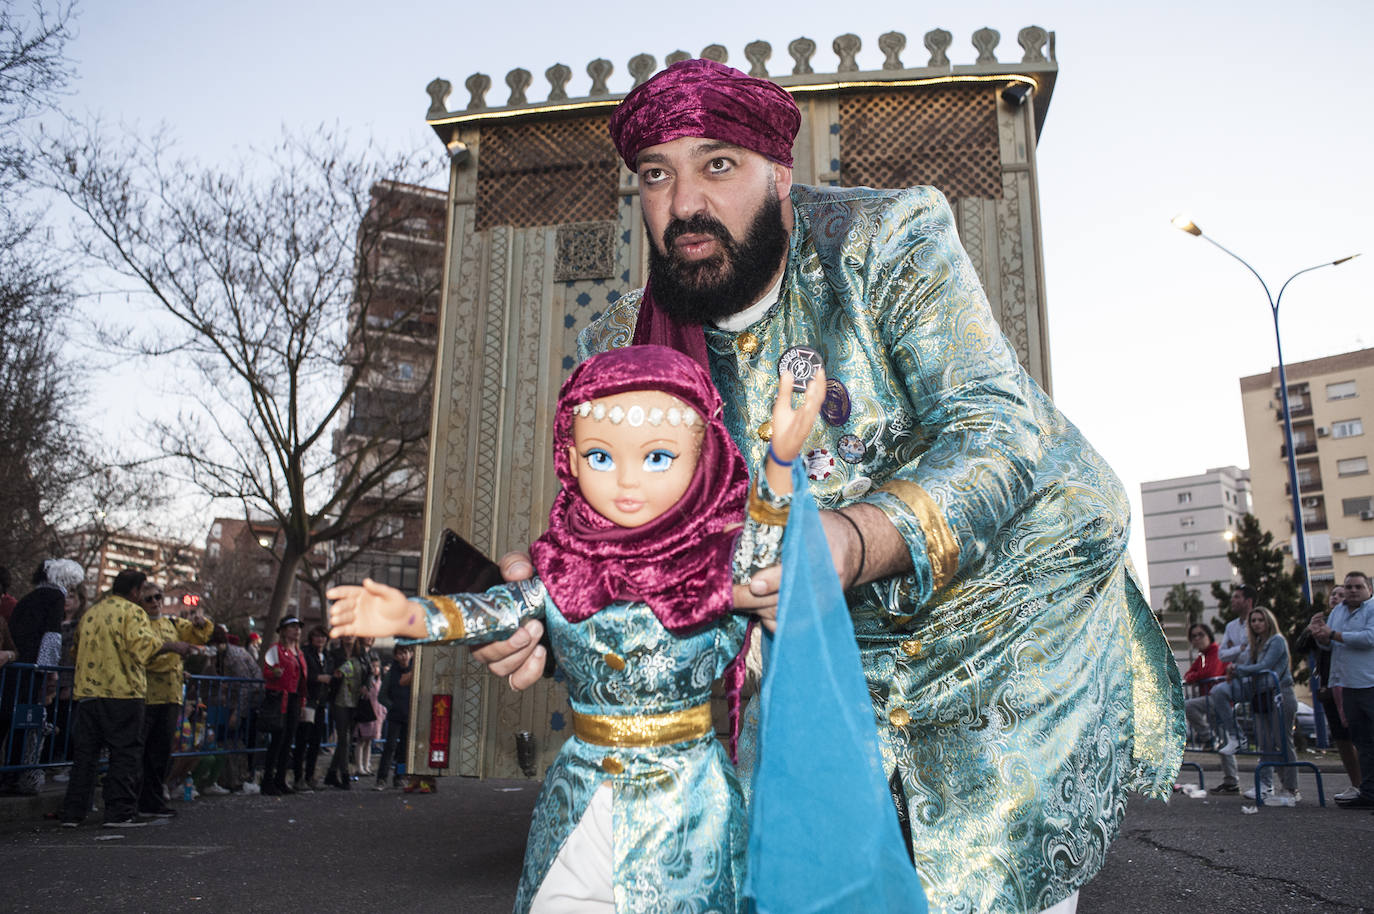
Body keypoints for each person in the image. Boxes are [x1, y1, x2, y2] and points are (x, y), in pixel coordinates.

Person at [471, 58, 1184, 914]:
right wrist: (551, 610)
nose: (685, 204)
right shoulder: (622, 348)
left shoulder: (886, 241)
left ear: (780, 174)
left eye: (718, 165)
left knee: (975, 876)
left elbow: (995, 428)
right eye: (657, 175)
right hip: (801, 644)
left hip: (998, 619)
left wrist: (847, 543)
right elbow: (619, 547)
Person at [328, 344, 822, 913]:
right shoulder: (565, 568)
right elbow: (495, 609)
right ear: (571, 459)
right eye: (601, 458)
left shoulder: (715, 565)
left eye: (658, 457)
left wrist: (781, 460)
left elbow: (763, 560)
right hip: (579, 795)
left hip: (686, 809)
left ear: (701, 462)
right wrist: (410, 616)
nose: (627, 483)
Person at [58, 569, 192, 827]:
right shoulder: (133, 613)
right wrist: (173, 646)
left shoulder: (91, 613)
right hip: (122, 693)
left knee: (85, 756)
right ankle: (119, 813)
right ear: (135, 591)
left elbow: (75, 650)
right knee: (124, 754)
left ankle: (73, 813)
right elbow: (143, 647)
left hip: (87, 693)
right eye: (143, 591)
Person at [2, 558, 85, 795]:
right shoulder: (54, 597)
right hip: (32, 668)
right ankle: (15, 775)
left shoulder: (30, 597)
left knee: (10, 717)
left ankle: (10, 774)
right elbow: (52, 636)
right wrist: (49, 669)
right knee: (24, 720)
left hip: (18, 664)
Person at [138, 584, 213, 817]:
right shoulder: (138, 624)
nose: (155, 602)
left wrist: (201, 623)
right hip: (147, 695)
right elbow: (146, 658)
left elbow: (198, 635)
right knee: (142, 752)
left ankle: (154, 800)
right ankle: (137, 800)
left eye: (158, 597)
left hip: (171, 696)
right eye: (148, 598)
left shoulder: (171, 623)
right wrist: (174, 657)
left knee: (162, 751)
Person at [1211, 606, 1299, 801]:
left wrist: (1239, 669)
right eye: (1253, 621)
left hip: (1280, 694)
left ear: (1268, 621)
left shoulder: (1276, 641)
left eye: (1260, 620)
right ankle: (1267, 785)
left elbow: (1264, 666)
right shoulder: (1256, 643)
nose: (1256, 624)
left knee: (1282, 741)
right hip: (1262, 694)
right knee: (1266, 742)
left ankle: (1291, 788)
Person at [1308, 571, 1374, 809]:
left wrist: (1333, 634)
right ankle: (1368, 792)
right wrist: (1320, 636)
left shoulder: (1372, 609)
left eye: (1358, 586)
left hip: (1370, 683)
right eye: (1349, 587)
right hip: (1347, 685)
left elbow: (1369, 638)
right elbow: (1329, 645)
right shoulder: (1337, 612)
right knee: (1363, 743)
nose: (1353, 590)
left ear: (1369, 589)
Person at [1299, 585, 1361, 801]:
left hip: (1353, 685)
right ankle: (1356, 784)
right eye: (1333, 594)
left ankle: (1366, 783)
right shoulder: (1323, 624)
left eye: (1341, 594)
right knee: (1342, 738)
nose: (1336, 597)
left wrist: (1332, 635)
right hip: (1328, 686)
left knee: (1360, 737)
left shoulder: (1354, 623)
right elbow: (1301, 647)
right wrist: (1311, 629)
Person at [259, 615, 306, 795]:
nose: (297, 630)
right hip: (280, 698)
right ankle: (268, 781)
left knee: (287, 741)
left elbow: (302, 680)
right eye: (293, 627)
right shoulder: (275, 649)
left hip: (293, 698)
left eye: (298, 627)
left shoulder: (299, 653)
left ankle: (280, 779)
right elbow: (266, 670)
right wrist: (274, 673)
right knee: (278, 740)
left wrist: (302, 702)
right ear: (284, 630)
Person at [292, 624, 333, 791]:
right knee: (303, 740)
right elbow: (303, 675)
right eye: (317, 636)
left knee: (316, 741)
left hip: (321, 702)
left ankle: (310, 776)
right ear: (311, 638)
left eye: (323, 636)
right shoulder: (305, 653)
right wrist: (318, 678)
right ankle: (298, 777)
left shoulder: (327, 656)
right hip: (307, 700)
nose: (320, 639)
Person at [324, 635, 364, 790]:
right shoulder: (335, 654)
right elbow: (331, 674)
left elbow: (368, 674)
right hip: (339, 700)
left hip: (356, 702)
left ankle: (331, 774)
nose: (349, 636)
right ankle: (345, 775)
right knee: (344, 738)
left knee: (345, 740)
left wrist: (366, 685)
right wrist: (336, 674)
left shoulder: (361, 655)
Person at [1181, 623, 1228, 748]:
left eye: (1201, 635)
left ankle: (1208, 737)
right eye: (1194, 636)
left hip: (1219, 699)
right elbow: (1188, 675)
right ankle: (1210, 738)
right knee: (1225, 746)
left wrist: (1195, 676)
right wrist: (1196, 676)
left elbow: (1210, 673)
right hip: (1210, 699)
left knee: (1188, 706)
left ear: (1209, 636)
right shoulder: (1202, 656)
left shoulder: (1216, 651)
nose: (1197, 639)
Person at [375, 643, 412, 789]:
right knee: (389, 746)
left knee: (404, 748)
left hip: (409, 715)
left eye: (406, 652)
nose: (403, 656)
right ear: (395, 656)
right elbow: (381, 696)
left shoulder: (415, 671)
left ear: (411, 654)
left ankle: (399, 776)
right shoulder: (392, 673)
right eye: (400, 653)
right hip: (395, 715)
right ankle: (381, 778)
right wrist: (392, 706)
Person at [353, 653, 384, 776]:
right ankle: (359, 766)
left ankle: (367, 765)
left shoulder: (380, 681)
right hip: (366, 712)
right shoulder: (366, 682)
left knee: (369, 742)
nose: (375, 669)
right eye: (373, 666)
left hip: (376, 714)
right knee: (361, 741)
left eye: (377, 666)